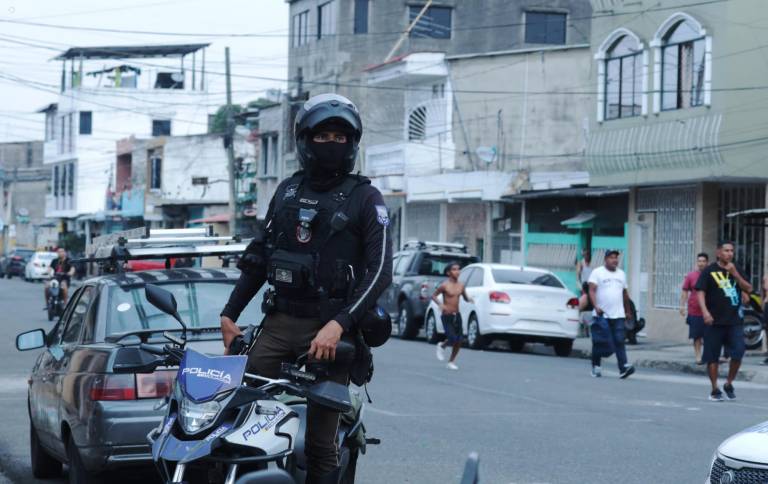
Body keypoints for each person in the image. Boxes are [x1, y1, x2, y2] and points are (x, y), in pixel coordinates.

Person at [219, 93, 392, 483]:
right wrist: (230, 313)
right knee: (233, 419)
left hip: (331, 331)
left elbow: (380, 272)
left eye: (340, 137)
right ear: (303, 141)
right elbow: (259, 257)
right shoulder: (287, 192)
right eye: (322, 136)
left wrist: (340, 324)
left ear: (353, 144)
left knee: (319, 443)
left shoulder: (367, 198)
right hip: (279, 323)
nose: (331, 144)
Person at [696, 241, 752, 401]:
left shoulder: (736, 269)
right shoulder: (709, 271)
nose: (729, 253)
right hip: (713, 321)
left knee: (738, 352)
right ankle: (715, 389)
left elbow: (748, 288)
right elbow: (700, 292)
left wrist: (735, 273)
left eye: (731, 251)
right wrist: (705, 312)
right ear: (718, 253)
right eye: (726, 251)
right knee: (712, 357)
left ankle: (729, 383)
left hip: (734, 320)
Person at [588, 249, 635, 379]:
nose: (615, 260)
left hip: (618, 315)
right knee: (602, 342)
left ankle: (623, 368)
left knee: (619, 341)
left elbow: (624, 293)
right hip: (602, 314)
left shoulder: (621, 274)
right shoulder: (597, 272)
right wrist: (596, 306)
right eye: (611, 257)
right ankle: (596, 366)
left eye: (616, 257)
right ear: (605, 259)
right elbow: (591, 290)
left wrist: (628, 311)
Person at [432, 262, 474, 370]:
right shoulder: (445, 285)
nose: (457, 271)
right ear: (448, 272)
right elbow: (434, 296)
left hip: (457, 315)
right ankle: (442, 345)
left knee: (459, 340)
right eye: (454, 269)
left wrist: (469, 299)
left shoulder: (461, 285)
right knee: (452, 338)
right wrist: (440, 304)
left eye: (458, 269)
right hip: (447, 315)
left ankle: (451, 361)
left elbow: (464, 297)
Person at [680, 253, 709, 364]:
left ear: (707, 262)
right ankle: (698, 356)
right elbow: (685, 291)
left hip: (708, 311)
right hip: (694, 310)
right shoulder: (691, 276)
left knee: (708, 336)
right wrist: (682, 306)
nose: (701, 263)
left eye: (703, 261)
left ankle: (707, 356)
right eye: (699, 261)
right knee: (696, 336)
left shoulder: (710, 275)